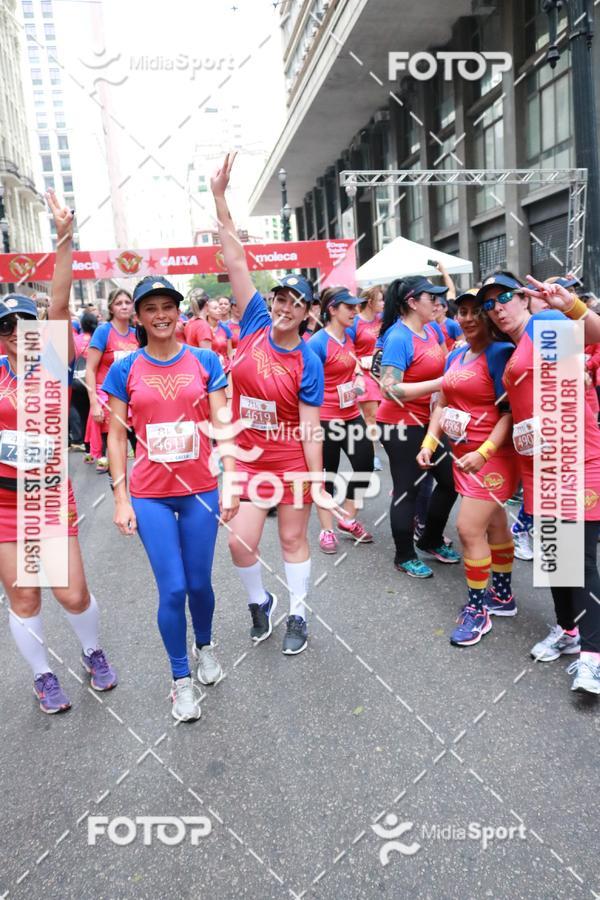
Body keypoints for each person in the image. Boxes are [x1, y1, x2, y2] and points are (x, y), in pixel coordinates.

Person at [1, 191, 117, 714]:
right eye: (6, 328)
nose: (16, 333)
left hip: (45, 499)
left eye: (24, 323)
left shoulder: (48, 361)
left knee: (71, 594)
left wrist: (64, 236)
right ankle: (43, 677)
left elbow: (62, 301)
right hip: (6, 506)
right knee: (25, 598)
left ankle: (92, 650)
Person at [104, 275, 238, 721]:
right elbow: (117, 439)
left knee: (199, 583)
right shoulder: (124, 369)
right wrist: (121, 499)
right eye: (150, 308)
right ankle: (180, 680)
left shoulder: (204, 360)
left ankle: (206, 646)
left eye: (168, 306)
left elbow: (222, 424)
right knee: (173, 587)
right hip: (150, 495)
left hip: (200, 489)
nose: (160, 315)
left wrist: (232, 479)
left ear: (178, 311)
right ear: (138, 317)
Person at [211, 153, 325, 656]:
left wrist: (317, 481)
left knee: (293, 540)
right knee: (239, 542)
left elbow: (311, 427)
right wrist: (220, 198)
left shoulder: (309, 361)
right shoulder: (254, 321)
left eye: (295, 303)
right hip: (250, 458)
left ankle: (298, 612)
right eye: (280, 298)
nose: (283, 307)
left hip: (291, 459)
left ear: (307, 314)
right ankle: (262, 603)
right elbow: (236, 259)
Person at [481, 273, 600, 694]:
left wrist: (568, 305)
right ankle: (568, 631)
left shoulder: (545, 324)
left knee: (580, 559)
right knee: (557, 560)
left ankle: (593, 656)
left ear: (524, 299)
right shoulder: (511, 350)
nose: (498, 307)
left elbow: (596, 333)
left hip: (576, 461)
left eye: (505, 297)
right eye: (489, 304)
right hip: (539, 468)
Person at [417, 288, 519, 645]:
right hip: (463, 457)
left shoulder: (501, 353)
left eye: (478, 311)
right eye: (462, 311)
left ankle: (478, 610)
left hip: (493, 460)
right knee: (494, 523)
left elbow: (509, 413)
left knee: (467, 529)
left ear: (490, 316)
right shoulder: (456, 356)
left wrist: (486, 451)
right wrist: (430, 442)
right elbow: (442, 404)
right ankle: (503, 596)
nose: (469, 317)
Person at [377, 277, 461, 577]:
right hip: (399, 424)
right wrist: (439, 384)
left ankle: (430, 538)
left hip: (430, 422)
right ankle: (404, 555)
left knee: (452, 481)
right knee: (407, 490)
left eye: (441, 297)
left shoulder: (433, 329)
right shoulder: (399, 336)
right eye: (433, 297)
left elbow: (444, 365)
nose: (440, 303)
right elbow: (389, 389)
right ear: (412, 302)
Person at [308, 287, 375, 553]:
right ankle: (326, 530)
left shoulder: (348, 337)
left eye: (356, 306)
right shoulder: (317, 343)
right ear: (332, 310)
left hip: (351, 414)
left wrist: (358, 378)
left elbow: (353, 364)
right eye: (349, 307)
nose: (355, 311)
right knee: (327, 476)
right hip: (325, 418)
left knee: (365, 465)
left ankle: (347, 518)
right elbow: (307, 385)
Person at [85, 288, 138, 472]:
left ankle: (142, 497)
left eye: (127, 302)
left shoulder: (137, 334)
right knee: (114, 461)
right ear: (111, 308)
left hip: (133, 401)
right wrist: (94, 404)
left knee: (142, 454)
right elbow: (90, 369)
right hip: (107, 401)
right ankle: (119, 498)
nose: (124, 306)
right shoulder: (103, 331)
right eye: (119, 303)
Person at [348, 285, 385, 470]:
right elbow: (347, 350)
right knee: (371, 417)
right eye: (380, 300)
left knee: (382, 416)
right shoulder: (355, 322)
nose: (383, 303)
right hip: (364, 375)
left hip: (382, 374)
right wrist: (358, 371)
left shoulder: (382, 320)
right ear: (370, 302)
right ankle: (372, 457)